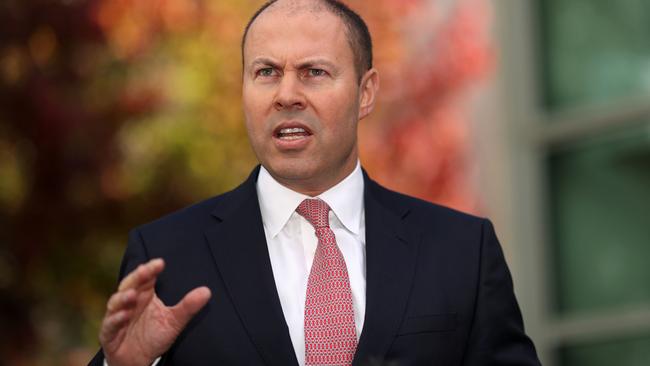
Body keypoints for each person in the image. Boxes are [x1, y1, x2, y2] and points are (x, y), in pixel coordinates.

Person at [90, 0, 541, 365]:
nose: (286, 94)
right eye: (266, 72)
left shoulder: (461, 250)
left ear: (365, 93)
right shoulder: (168, 257)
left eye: (314, 72)